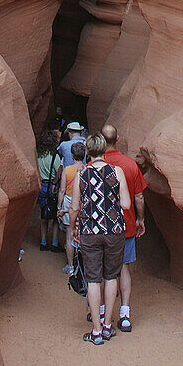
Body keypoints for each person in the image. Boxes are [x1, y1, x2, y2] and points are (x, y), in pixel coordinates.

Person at [69, 133, 130, 345]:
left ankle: (95, 331)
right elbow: (126, 204)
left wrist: (72, 228)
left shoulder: (82, 174)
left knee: (93, 278)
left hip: (90, 232)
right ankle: (107, 326)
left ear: (88, 150)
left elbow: (74, 207)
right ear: (104, 149)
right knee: (111, 276)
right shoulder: (117, 171)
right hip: (114, 232)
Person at [102, 123, 147, 332]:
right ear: (117, 139)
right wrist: (140, 220)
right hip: (126, 226)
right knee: (123, 267)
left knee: (103, 268)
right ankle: (125, 314)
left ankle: (103, 311)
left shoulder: (96, 164)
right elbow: (139, 196)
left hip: (101, 227)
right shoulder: (129, 165)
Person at [58, 140, 85, 273]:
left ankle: (71, 266)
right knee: (83, 234)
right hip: (83, 202)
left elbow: (62, 190)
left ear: (73, 156)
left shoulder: (67, 170)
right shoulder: (87, 169)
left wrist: (59, 207)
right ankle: (83, 265)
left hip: (69, 201)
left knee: (70, 235)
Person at [36, 130, 61, 252]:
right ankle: (55, 243)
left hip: (42, 186)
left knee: (44, 214)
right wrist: (55, 183)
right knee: (55, 216)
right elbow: (58, 171)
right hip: (52, 186)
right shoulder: (55, 156)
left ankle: (43, 242)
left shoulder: (39, 156)